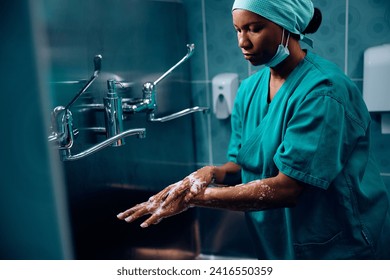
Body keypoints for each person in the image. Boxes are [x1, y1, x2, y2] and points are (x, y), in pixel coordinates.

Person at [117, 0, 390, 259]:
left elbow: (288, 188)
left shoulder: (324, 92)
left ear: (287, 27)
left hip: (336, 245)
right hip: (276, 241)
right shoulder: (249, 90)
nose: (242, 42)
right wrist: (211, 173)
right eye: (238, 30)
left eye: (254, 28)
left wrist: (196, 197)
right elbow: (241, 164)